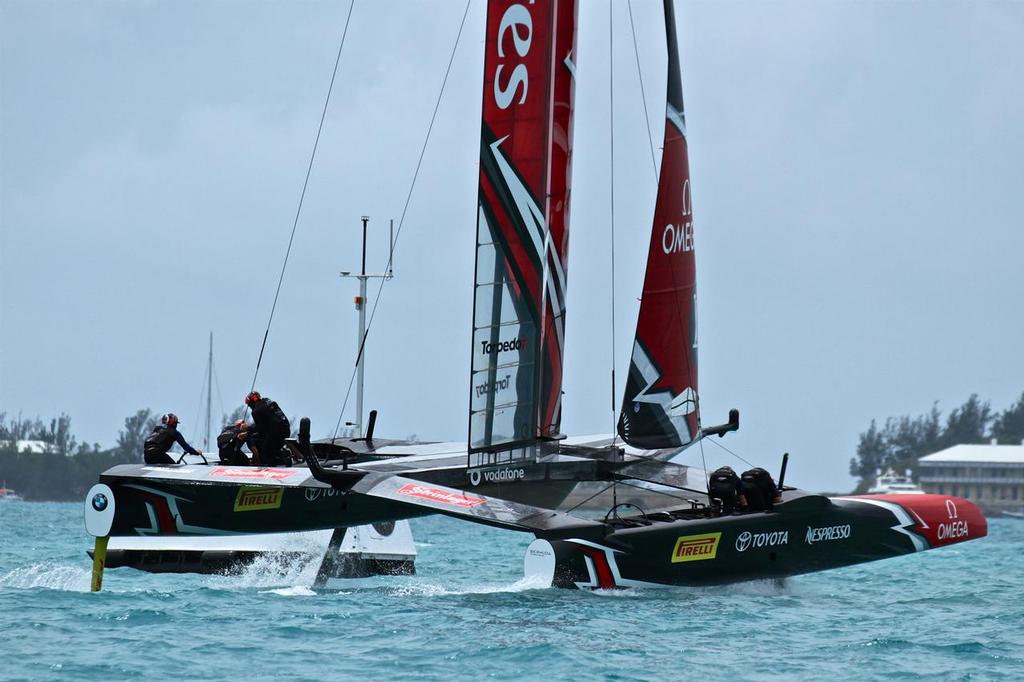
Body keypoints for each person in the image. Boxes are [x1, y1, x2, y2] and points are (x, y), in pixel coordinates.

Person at [245, 391, 291, 466]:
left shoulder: (255, 411)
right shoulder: (269, 401)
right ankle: (283, 454)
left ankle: (275, 462)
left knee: (265, 450)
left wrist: (248, 429)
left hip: (275, 433)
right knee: (272, 444)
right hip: (286, 429)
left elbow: (260, 428)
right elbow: (268, 419)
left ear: (251, 403)